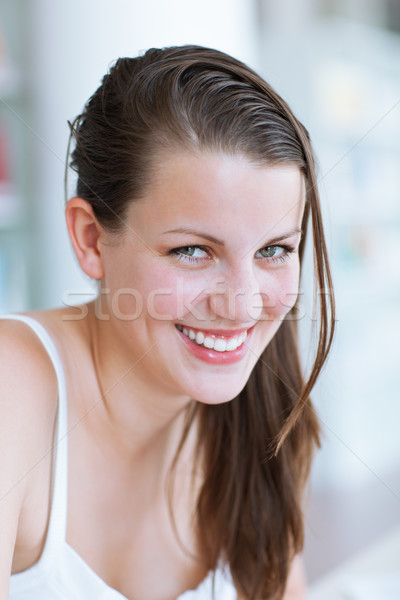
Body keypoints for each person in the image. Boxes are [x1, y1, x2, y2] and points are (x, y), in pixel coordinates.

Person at [0, 45, 335, 600]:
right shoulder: (12, 388)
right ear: (91, 240)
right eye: (192, 251)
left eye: (274, 250)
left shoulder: (264, 414)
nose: (244, 306)